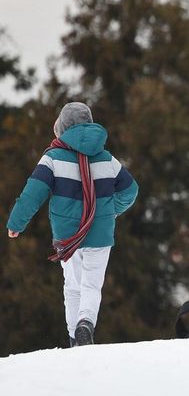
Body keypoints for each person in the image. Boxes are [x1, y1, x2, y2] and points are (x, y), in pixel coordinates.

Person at [6, 102, 139, 347]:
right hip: (99, 235)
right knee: (91, 284)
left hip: (68, 238)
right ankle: (85, 324)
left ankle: (73, 339)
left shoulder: (53, 158)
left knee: (73, 286)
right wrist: (108, 212)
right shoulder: (107, 159)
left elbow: (33, 193)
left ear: (62, 127)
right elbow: (131, 190)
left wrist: (17, 222)